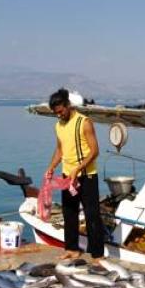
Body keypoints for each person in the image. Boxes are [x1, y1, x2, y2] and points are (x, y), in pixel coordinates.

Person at [45, 88, 104, 263]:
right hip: (66, 176)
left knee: (92, 214)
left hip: (86, 176)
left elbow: (95, 151)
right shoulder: (58, 125)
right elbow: (60, 149)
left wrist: (78, 168)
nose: (59, 115)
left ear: (68, 105)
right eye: (56, 113)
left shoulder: (84, 122)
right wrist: (51, 167)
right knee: (69, 212)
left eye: (61, 111)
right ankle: (72, 249)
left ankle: (98, 254)